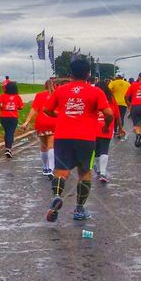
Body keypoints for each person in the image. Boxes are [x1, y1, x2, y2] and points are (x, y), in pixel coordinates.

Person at [42, 59, 113, 222]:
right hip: (86, 138)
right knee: (85, 173)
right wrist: (106, 125)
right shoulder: (96, 92)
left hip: (62, 136)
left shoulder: (61, 91)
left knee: (61, 172)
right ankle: (79, 210)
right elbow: (108, 113)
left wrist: (60, 116)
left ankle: (57, 196)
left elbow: (46, 109)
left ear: (70, 74)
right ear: (88, 73)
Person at [22, 78, 59, 178]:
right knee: (51, 145)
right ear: (55, 86)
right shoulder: (57, 95)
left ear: (45, 86)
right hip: (53, 122)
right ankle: (51, 168)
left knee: (43, 147)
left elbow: (34, 109)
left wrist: (26, 122)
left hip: (41, 123)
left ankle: (45, 168)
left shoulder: (39, 95)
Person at [94, 81, 120, 183]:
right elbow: (116, 115)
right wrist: (120, 128)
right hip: (107, 127)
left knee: (96, 151)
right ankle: (103, 173)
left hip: (94, 128)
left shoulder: (93, 98)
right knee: (104, 149)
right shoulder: (111, 99)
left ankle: (99, 170)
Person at [0, 81, 24, 158]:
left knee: (6, 131)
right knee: (10, 132)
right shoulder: (17, 97)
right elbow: (21, 107)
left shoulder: (3, 96)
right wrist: (16, 107)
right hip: (13, 117)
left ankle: (6, 146)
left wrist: (1, 108)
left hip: (3, 116)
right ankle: (8, 149)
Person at [107, 74, 131, 138]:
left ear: (116, 77)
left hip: (115, 102)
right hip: (124, 103)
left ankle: (115, 131)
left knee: (115, 117)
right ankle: (120, 131)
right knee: (121, 117)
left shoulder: (113, 83)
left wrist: (112, 93)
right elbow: (130, 92)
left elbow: (108, 89)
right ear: (123, 77)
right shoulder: (127, 83)